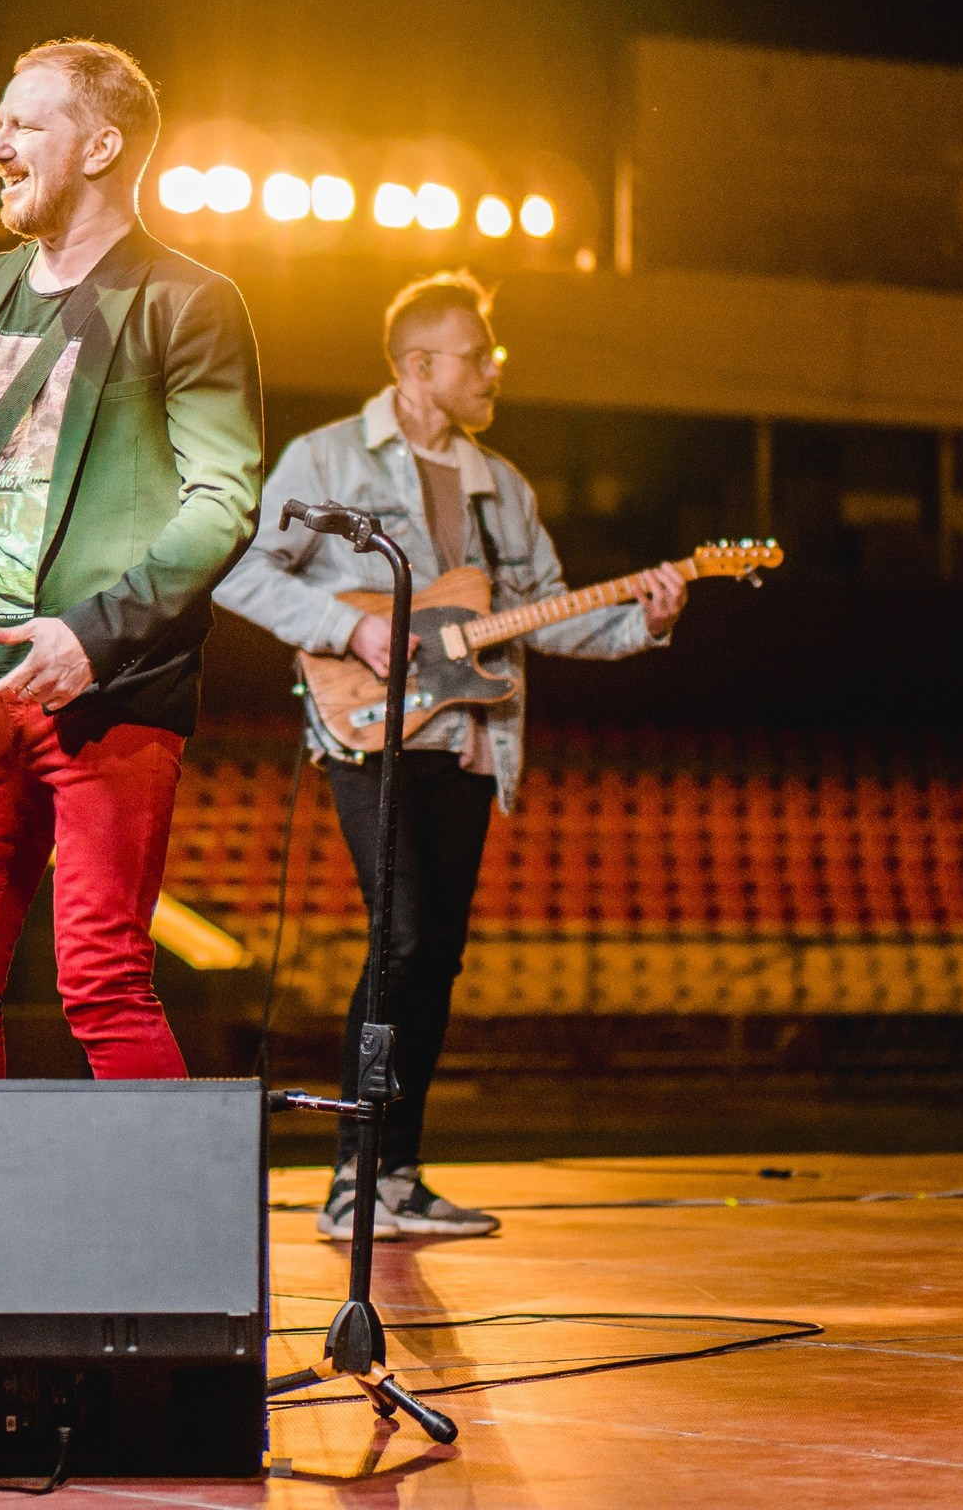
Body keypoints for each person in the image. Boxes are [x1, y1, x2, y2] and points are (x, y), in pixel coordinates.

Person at [214, 270, 685, 1238]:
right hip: (368, 734)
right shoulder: (329, 459)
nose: (493, 371)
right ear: (417, 366)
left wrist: (641, 623)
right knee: (401, 940)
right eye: (477, 356)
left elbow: (539, 618)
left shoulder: (498, 485)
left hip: (468, 740)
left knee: (433, 955)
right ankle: (353, 1178)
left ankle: (399, 1175)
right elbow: (240, 571)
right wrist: (350, 634)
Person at [0, 38, 264, 1080]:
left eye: (22, 124)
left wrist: (95, 634)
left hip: (108, 690)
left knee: (103, 980)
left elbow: (225, 502)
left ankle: (172, 1239)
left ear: (100, 144)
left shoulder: (187, 300)